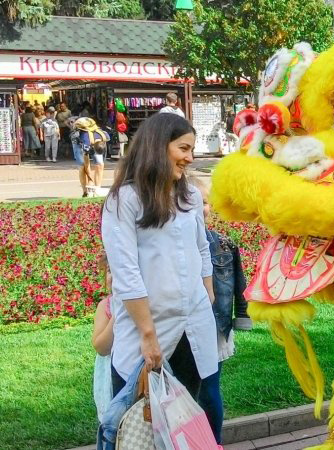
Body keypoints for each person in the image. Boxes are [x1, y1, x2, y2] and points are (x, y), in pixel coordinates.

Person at [101, 113, 217, 415]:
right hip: (147, 330)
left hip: (193, 326)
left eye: (191, 150)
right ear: (158, 146)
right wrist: (147, 334)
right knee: (138, 420)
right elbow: (125, 272)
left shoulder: (189, 194)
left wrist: (208, 295)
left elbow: (201, 247)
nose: (190, 158)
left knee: (186, 417)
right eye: (183, 148)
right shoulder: (124, 200)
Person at [189, 177, 249, 444]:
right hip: (180, 325)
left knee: (209, 388)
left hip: (215, 326)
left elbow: (239, 283)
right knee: (184, 390)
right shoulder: (172, 243)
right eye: (192, 202)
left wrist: (242, 317)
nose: (201, 208)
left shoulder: (224, 244)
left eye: (204, 203)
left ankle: (213, 443)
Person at [92, 253, 114, 422]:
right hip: (112, 376)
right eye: (109, 271)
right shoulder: (105, 306)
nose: (113, 277)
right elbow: (101, 347)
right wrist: (118, 315)